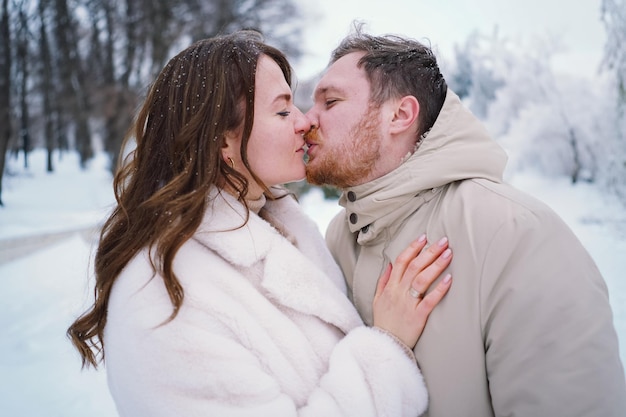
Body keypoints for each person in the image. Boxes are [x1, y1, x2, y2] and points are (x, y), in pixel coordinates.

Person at [66, 30, 455, 417]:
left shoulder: (279, 228)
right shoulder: (164, 294)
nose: (304, 122)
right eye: (283, 110)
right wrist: (386, 348)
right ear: (222, 142)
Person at [304, 25, 626, 417]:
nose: (307, 121)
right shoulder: (339, 237)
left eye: (331, 102)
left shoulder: (516, 233)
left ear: (400, 115)